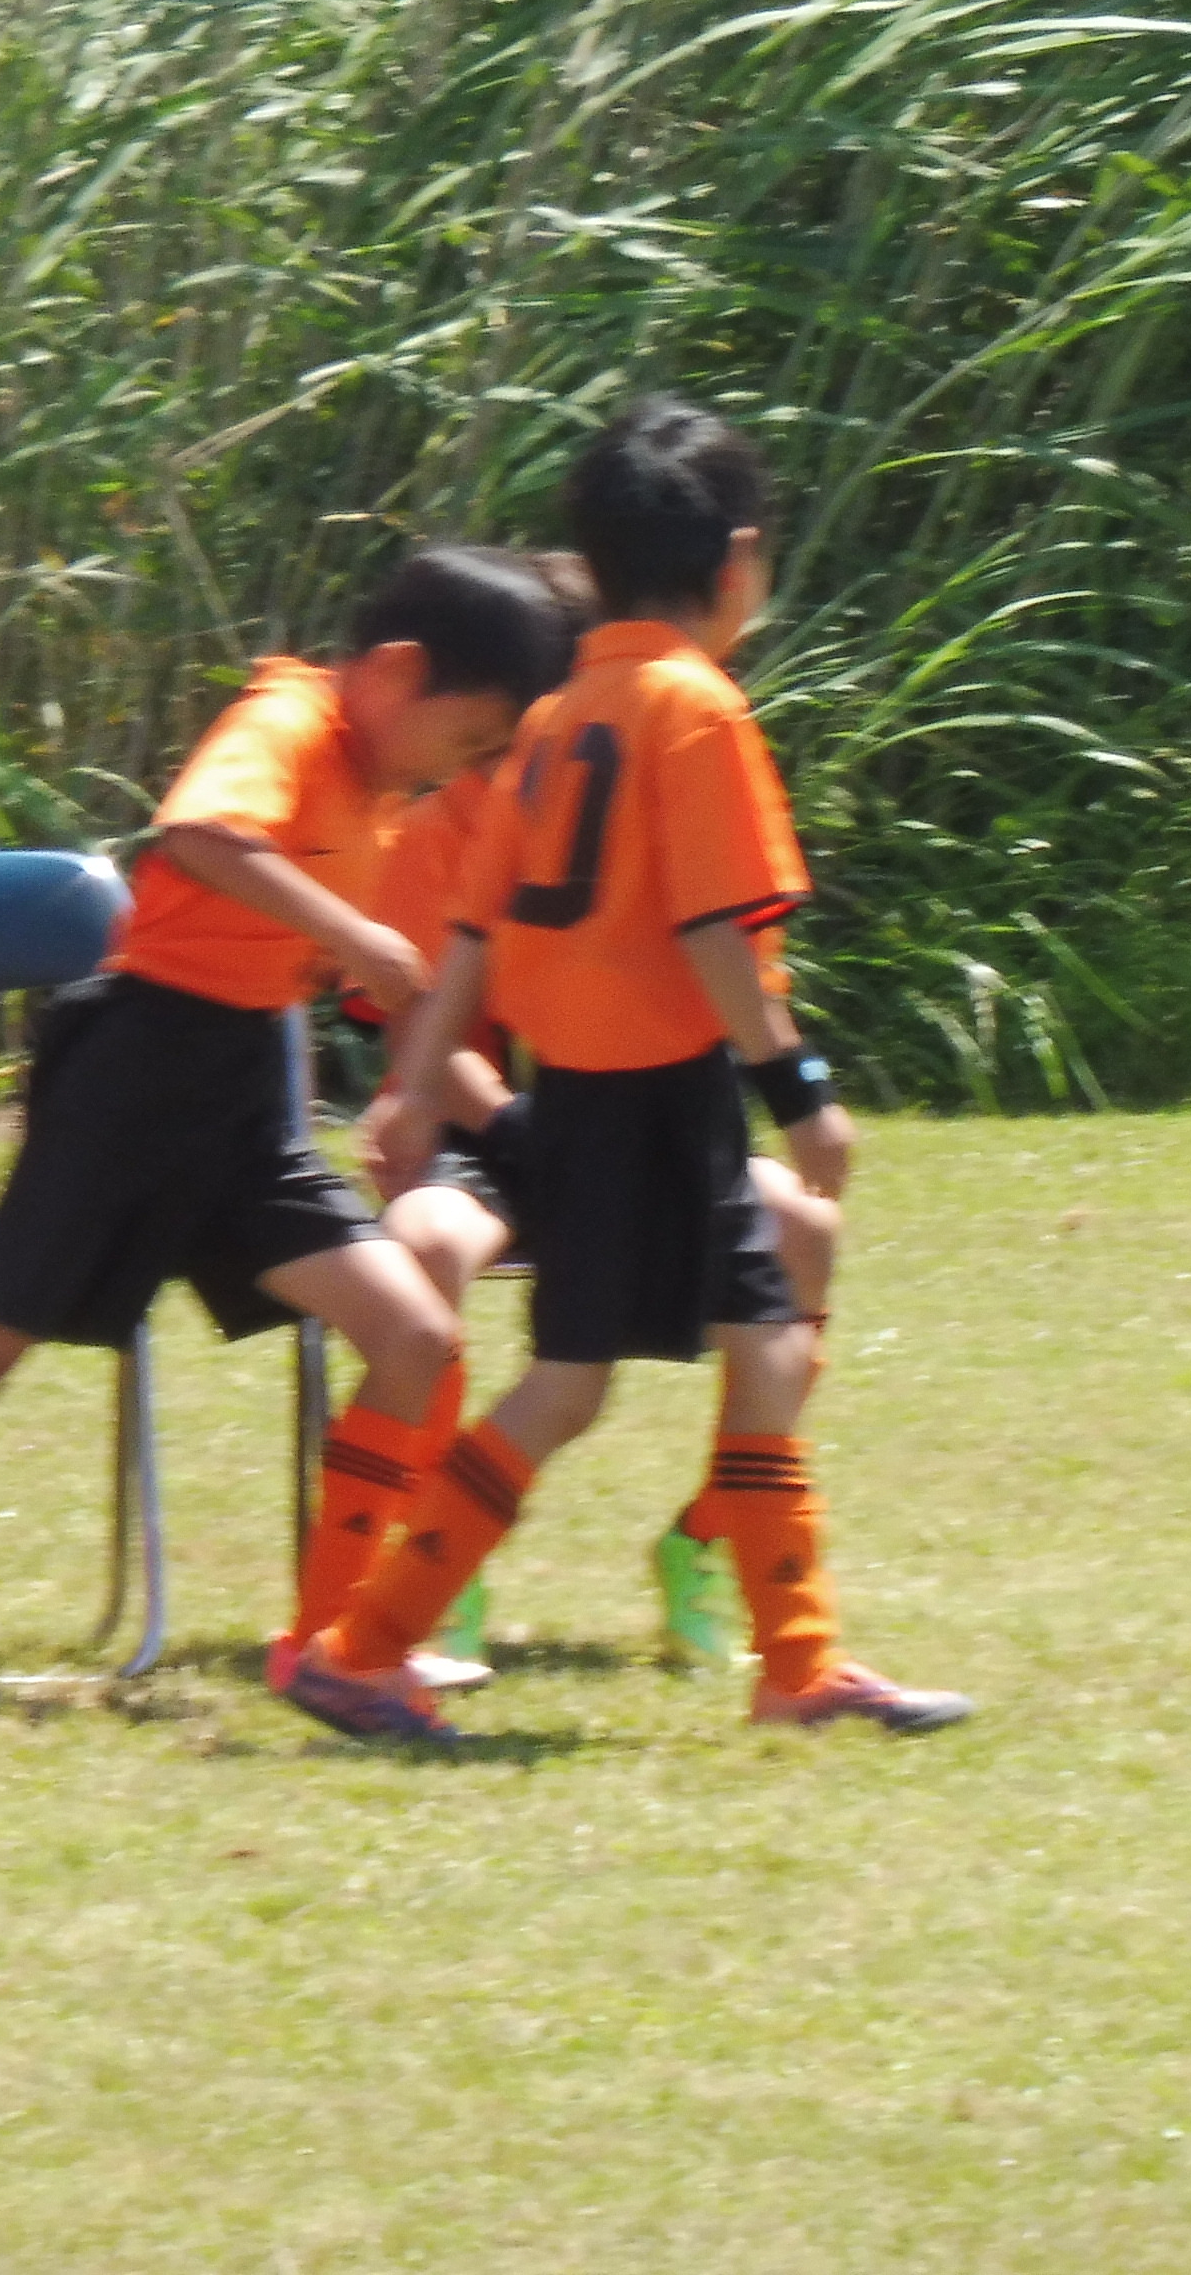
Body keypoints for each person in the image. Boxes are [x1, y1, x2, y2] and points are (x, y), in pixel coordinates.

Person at [0, 546, 572, 1678]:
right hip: (131, 1080)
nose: (466, 770)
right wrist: (352, 935)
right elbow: (199, 837)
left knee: (413, 1336)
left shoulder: (381, 790)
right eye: (468, 740)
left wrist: (396, 1046)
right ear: (398, 671)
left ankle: (328, 1648)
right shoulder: (286, 721)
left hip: (244, 1099)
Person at [283, 399, 967, 1743]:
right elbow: (717, 930)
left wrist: (414, 1083)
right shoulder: (695, 708)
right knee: (578, 1386)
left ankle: (798, 1665)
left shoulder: (555, 718)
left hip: (591, 1099)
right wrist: (801, 1091)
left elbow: (472, 932)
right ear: (740, 561)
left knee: (743, 1352)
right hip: (659, 1098)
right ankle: (364, 1649)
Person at [350, 560, 845, 1677]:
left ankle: (713, 1541)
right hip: (501, 1138)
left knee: (802, 1236)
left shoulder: (624, 784)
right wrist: (518, 1127)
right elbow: (430, 1028)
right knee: (437, 1253)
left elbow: (721, 966)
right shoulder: (449, 823)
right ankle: (428, 1568)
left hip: (605, 1121)